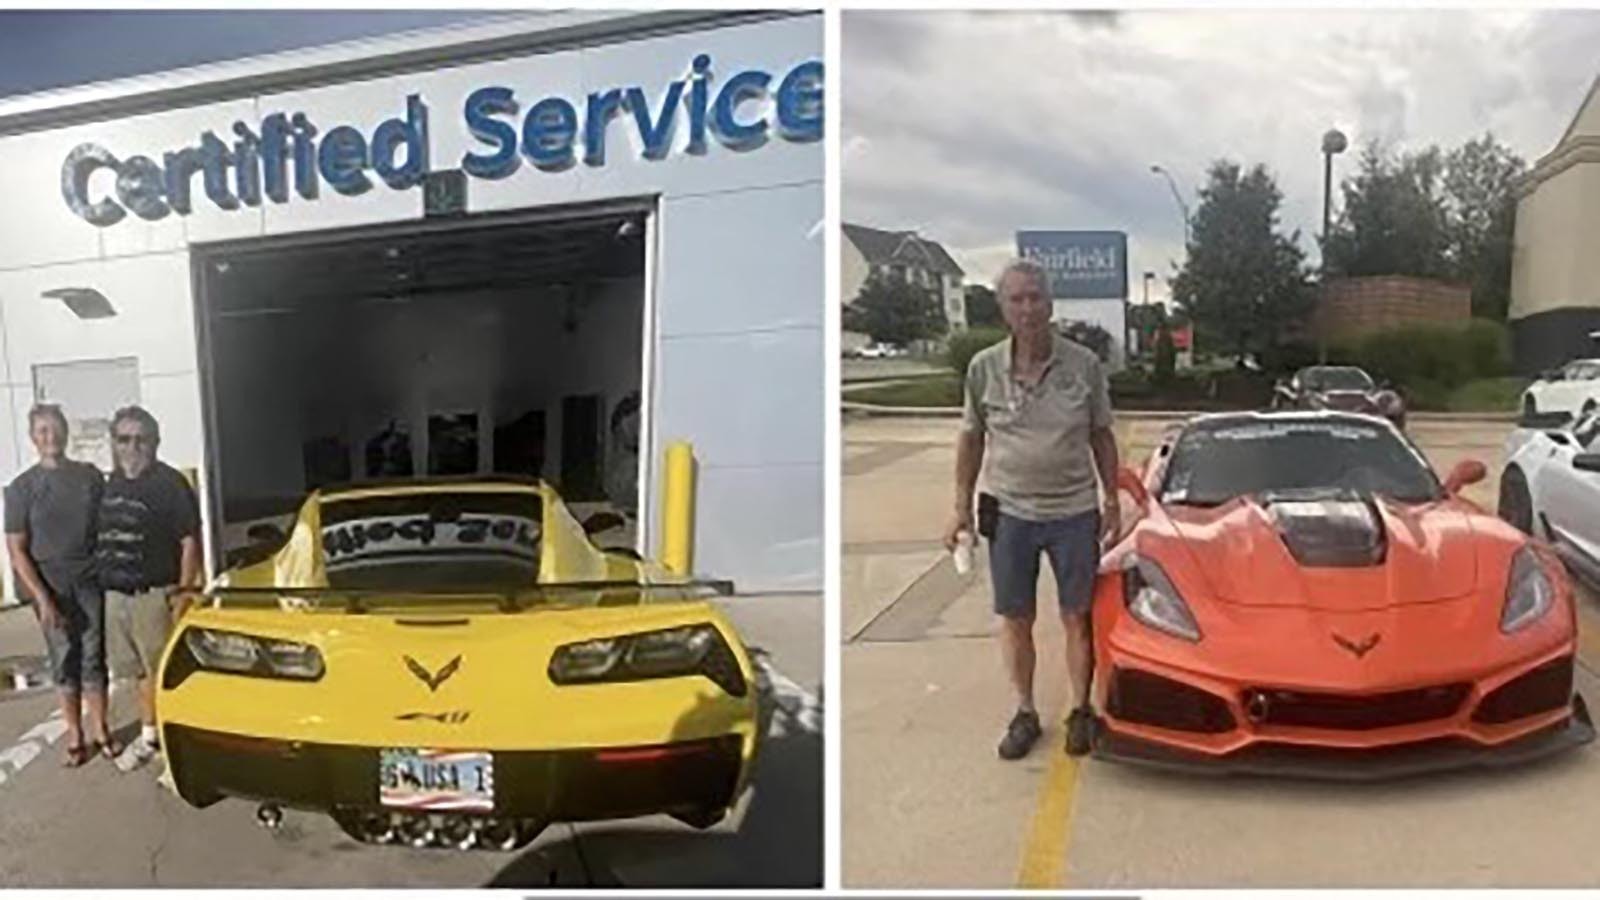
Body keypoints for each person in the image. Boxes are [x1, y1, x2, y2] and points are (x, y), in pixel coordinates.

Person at [942, 258, 1121, 760]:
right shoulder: (983, 369)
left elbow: (1102, 436)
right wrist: (960, 508)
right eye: (1016, 299)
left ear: (1050, 303)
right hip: (1010, 512)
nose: (1027, 308)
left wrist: (1111, 500)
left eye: (1035, 297)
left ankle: (1081, 710)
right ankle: (1024, 712)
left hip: (1074, 511)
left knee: (1076, 615)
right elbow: (971, 441)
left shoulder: (1083, 365)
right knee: (1015, 617)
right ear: (1002, 308)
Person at [4, 404, 115, 767]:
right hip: (49, 586)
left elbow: (107, 528)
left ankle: (101, 730)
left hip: (89, 581)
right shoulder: (22, 488)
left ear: (66, 432)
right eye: (42, 431)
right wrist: (43, 599)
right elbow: (17, 550)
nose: (50, 436)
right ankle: (74, 735)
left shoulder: (89, 477)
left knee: (94, 657)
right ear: (32, 438)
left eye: (56, 429)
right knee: (64, 660)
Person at [96, 405, 202, 773]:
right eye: (124, 439)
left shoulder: (170, 484)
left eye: (141, 439)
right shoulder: (110, 484)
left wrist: (185, 593)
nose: (132, 446)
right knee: (141, 673)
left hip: (155, 595)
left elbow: (190, 540)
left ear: (155, 442)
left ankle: (176, 749)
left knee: (164, 671)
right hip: (116, 598)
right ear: (113, 442)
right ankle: (150, 737)